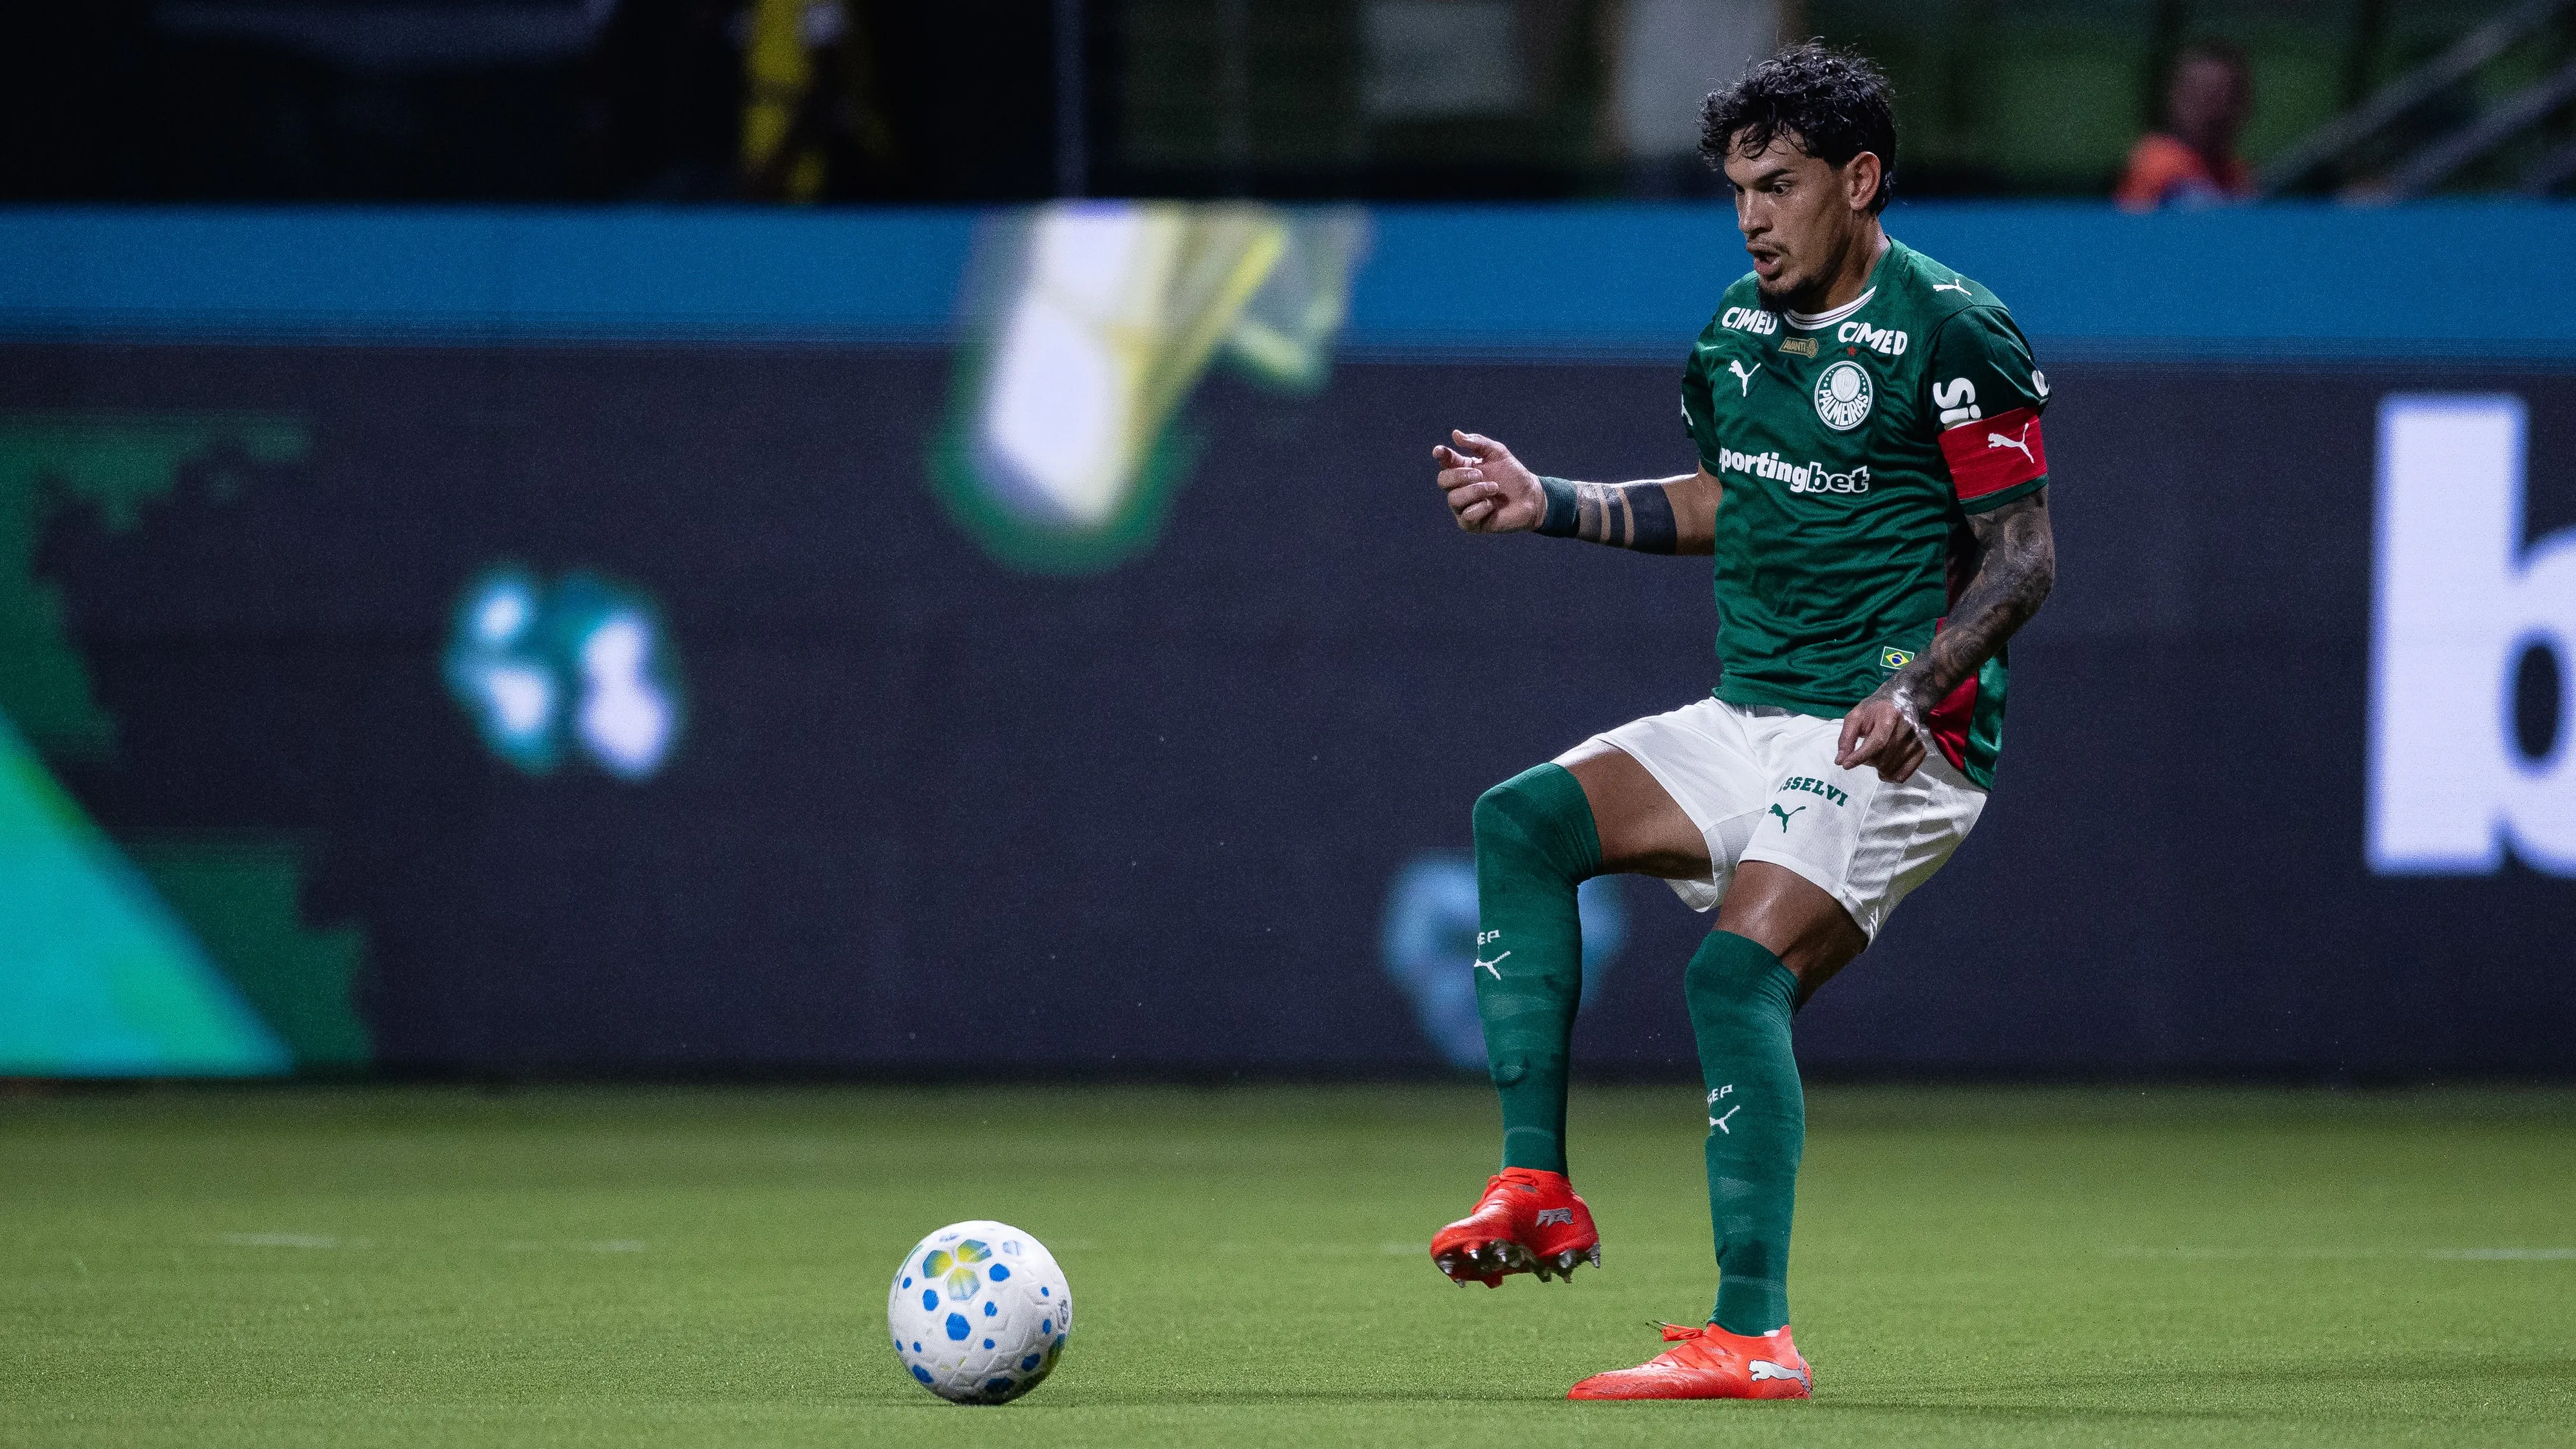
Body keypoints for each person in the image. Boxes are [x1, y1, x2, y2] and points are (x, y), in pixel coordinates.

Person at [1422, 41, 2057, 1401]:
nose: (1753, 216)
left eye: (1778, 185)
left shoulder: (1952, 328)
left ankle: (1752, 1336)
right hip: (1749, 712)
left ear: (1859, 178)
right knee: (1519, 824)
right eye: (1736, 190)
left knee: (1731, 975)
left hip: (1894, 734)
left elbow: (2022, 558)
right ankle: (1533, 1185)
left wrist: (1910, 687)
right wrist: (1551, 501)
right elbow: (1731, 500)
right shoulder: (1730, 333)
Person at [2116, 42, 2253, 211]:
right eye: (2206, 98)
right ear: (2175, 100)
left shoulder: (2235, 173)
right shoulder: (2157, 162)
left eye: (2229, 99)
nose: (2218, 112)